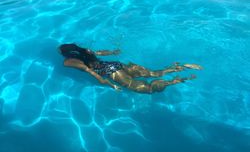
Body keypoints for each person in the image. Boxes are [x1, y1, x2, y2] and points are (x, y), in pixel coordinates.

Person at [59, 43, 202, 94]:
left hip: (110, 72)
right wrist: (114, 52)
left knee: (149, 89)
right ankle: (181, 67)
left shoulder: (69, 62)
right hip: (116, 64)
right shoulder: (86, 51)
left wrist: (111, 85)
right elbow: (100, 53)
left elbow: (93, 73)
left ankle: (175, 81)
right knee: (154, 73)